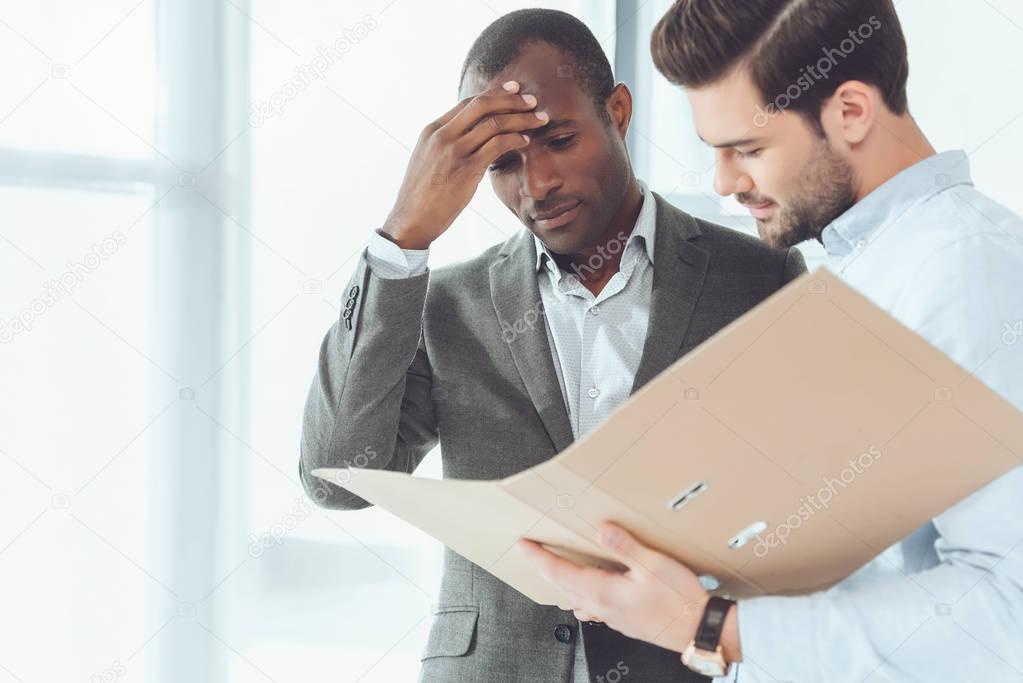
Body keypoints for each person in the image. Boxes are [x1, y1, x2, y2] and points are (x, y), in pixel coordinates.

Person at [517, 1, 1023, 681]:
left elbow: (1009, 614)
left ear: (849, 111)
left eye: (747, 149)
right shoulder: (861, 267)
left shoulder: (966, 271)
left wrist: (709, 626)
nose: (725, 183)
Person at [300, 8, 805, 682]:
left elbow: (801, 500)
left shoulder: (756, 278)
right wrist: (402, 240)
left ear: (618, 111)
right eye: (502, 164)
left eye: (560, 139)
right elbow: (335, 476)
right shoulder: (445, 304)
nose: (536, 185)